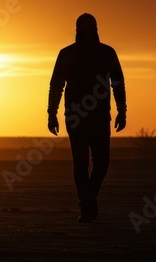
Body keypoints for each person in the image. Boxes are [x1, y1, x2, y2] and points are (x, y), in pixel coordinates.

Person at [47, 13, 126, 222]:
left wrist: (122, 110)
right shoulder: (67, 54)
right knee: (80, 165)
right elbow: (56, 85)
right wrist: (51, 113)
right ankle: (88, 205)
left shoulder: (107, 53)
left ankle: (88, 199)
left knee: (102, 162)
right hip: (76, 118)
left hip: (100, 117)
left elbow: (118, 82)